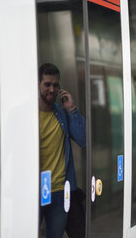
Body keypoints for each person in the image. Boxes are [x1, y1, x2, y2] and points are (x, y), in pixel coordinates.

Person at [39, 63, 86, 238]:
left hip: (60, 193)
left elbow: (83, 139)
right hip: (34, 192)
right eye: (47, 84)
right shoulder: (28, 115)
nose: (52, 89)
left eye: (56, 85)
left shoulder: (62, 114)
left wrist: (72, 110)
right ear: (38, 84)